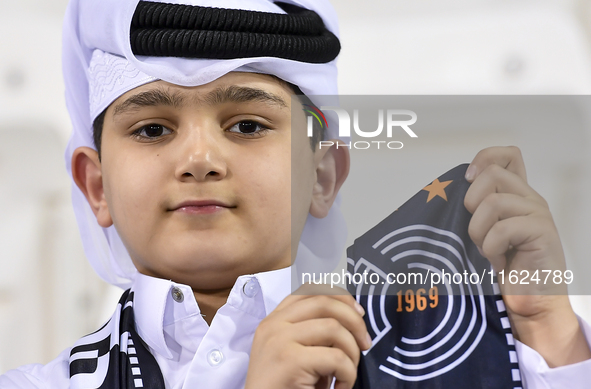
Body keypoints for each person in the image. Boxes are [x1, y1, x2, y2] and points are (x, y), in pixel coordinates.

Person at [0, 0, 590, 388]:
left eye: (248, 126)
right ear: (96, 186)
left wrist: (549, 332)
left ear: (324, 175)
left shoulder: (441, 351)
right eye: (153, 129)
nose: (200, 159)